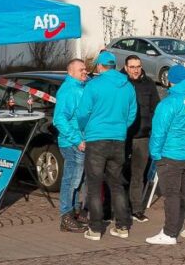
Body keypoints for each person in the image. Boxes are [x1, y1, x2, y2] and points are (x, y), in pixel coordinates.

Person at [76, 51, 137, 241]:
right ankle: (122, 226)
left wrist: (85, 129)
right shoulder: (127, 85)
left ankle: (95, 229)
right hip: (118, 139)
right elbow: (132, 113)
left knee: (94, 185)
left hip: (96, 139)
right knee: (117, 184)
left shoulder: (93, 85)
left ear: (101, 66)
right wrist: (120, 128)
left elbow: (82, 113)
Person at [145, 64, 185, 245]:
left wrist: (155, 154)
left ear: (170, 80)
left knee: (171, 194)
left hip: (170, 155)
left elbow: (158, 132)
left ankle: (170, 233)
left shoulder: (168, 104)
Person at [122, 55, 160, 223]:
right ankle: (120, 208)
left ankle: (136, 208)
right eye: (132, 67)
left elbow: (156, 107)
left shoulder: (149, 83)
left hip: (142, 136)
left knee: (138, 174)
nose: (136, 70)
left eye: (138, 66)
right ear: (125, 67)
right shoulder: (120, 83)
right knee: (120, 173)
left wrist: (150, 125)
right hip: (122, 136)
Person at [52, 58, 88, 233]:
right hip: (72, 143)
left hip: (81, 141)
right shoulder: (68, 91)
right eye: (81, 70)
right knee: (70, 180)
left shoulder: (82, 88)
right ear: (71, 72)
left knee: (78, 180)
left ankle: (74, 212)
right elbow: (59, 119)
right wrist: (76, 139)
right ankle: (65, 216)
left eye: (85, 69)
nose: (85, 72)